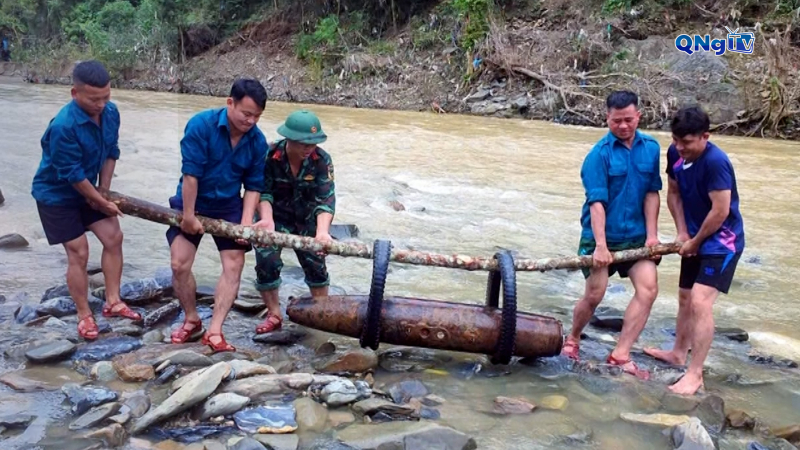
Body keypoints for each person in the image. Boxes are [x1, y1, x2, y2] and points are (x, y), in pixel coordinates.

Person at [31, 60, 141, 340]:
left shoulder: (111, 113)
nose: (101, 104)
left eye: (106, 96)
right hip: (56, 194)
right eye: (94, 99)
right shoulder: (64, 126)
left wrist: (103, 191)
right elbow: (72, 175)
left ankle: (113, 302)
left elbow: (110, 152)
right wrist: (100, 201)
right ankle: (84, 315)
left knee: (113, 237)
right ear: (74, 94)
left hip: (89, 188)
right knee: (79, 251)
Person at [560, 90, 662, 380]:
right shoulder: (598, 155)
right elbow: (597, 204)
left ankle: (621, 353)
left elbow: (652, 193)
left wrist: (652, 237)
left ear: (638, 116)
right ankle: (573, 338)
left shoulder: (651, 148)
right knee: (595, 294)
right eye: (616, 121)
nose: (623, 126)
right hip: (600, 237)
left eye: (629, 120)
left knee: (648, 289)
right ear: (607, 118)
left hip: (636, 238)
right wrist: (601, 247)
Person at [643, 106, 745, 395]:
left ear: (705, 137)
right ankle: (677, 352)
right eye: (676, 140)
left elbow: (721, 210)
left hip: (722, 242)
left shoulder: (716, 163)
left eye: (686, 142)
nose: (679, 147)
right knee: (685, 297)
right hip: (694, 237)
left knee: (701, 302)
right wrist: (682, 232)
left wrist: (696, 241)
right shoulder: (675, 154)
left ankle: (695, 373)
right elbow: (674, 193)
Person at [167, 78, 270, 353]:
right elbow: (191, 174)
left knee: (234, 264)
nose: (251, 121)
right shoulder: (201, 125)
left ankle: (215, 330)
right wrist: (188, 215)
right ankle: (191, 319)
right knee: (179, 264)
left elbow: (253, 186)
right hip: (194, 198)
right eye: (246, 114)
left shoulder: (258, 142)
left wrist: (245, 224)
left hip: (228, 204)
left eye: (257, 116)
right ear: (230, 103)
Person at [252, 110, 335, 334]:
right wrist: (267, 221)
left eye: (313, 143)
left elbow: (325, 200)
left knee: (316, 265)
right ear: (289, 139)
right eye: (303, 144)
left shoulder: (322, 160)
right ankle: (274, 314)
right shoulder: (270, 155)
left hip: (307, 219)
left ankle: (321, 312)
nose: (309, 149)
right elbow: (263, 192)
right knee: (266, 262)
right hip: (274, 216)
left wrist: (322, 233)